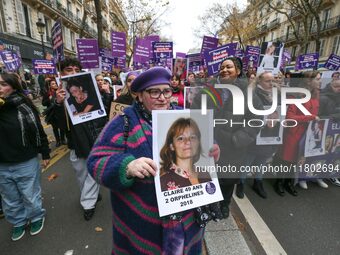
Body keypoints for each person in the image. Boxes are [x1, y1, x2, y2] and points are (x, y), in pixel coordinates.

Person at [87, 67, 220, 254]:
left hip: (186, 220)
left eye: (166, 91)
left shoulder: (184, 115)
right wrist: (127, 166)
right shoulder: (124, 121)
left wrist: (212, 149)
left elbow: (206, 143)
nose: (162, 97)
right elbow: (95, 162)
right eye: (154, 92)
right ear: (140, 96)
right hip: (142, 226)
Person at [192, 57, 263, 216]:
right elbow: (195, 114)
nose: (224, 70)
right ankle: (207, 205)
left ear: (238, 71)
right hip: (209, 146)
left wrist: (237, 139)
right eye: (222, 67)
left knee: (228, 180)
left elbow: (257, 121)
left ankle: (225, 204)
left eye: (229, 67)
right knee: (207, 178)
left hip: (233, 149)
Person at [0, 72, 50, 241]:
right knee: (10, 197)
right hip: (2, 164)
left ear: (13, 87)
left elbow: (38, 130)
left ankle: (36, 217)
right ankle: (18, 221)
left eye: (2, 84)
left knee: (29, 194)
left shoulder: (23, 106)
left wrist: (45, 153)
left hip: (25, 161)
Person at [54, 58, 103, 221]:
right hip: (77, 142)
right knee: (82, 173)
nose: (73, 72)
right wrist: (58, 104)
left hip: (95, 137)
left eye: (76, 69)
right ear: (61, 73)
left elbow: (105, 113)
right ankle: (91, 194)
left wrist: (106, 93)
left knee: (93, 171)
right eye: (69, 69)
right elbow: (59, 125)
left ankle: (88, 203)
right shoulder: (60, 96)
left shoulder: (92, 91)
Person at [160, 118, 211, 191]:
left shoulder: (205, 173)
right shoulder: (163, 181)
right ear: (172, 146)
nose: (188, 142)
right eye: (181, 138)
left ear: (198, 143)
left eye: (192, 137)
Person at [42, 79, 66, 147]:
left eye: (55, 83)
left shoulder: (59, 91)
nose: (55, 84)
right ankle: (58, 141)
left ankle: (63, 139)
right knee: (55, 128)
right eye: (53, 84)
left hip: (60, 112)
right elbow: (43, 103)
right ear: (49, 86)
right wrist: (48, 99)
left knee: (62, 126)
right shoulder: (47, 93)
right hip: (52, 113)